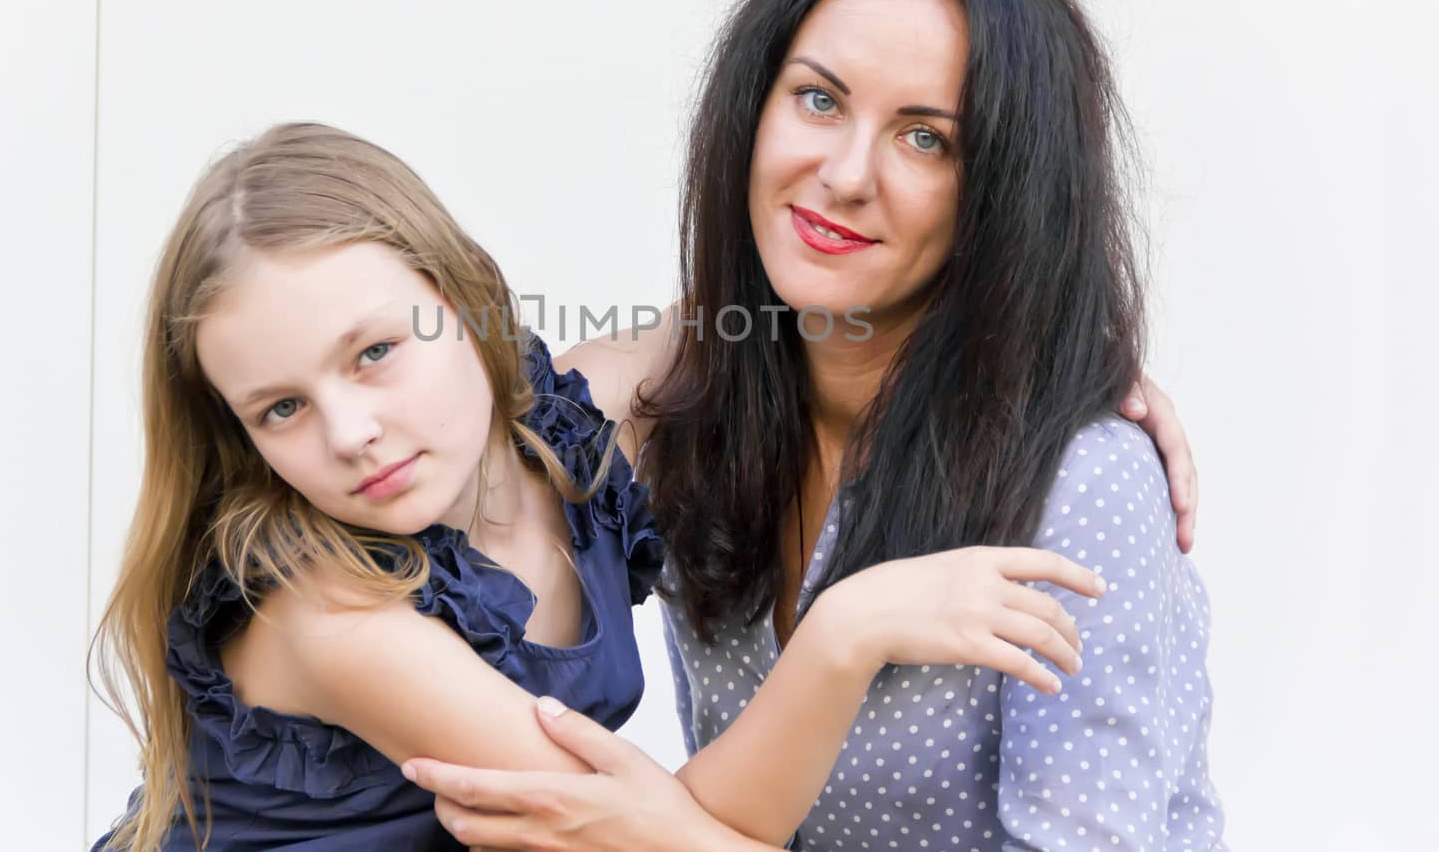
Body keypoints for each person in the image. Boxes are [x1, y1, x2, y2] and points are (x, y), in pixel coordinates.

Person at [402, 0, 1224, 850]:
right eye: (819, 98)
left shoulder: (1081, 483)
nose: (843, 173)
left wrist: (672, 836)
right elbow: (476, 442)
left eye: (926, 137)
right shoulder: (688, 413)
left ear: (1005, 191)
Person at [87, 124, 1128, 852]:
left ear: (453, 298)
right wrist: (842, 630)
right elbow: (643, 837)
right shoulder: (334, 613)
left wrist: (1067, 364)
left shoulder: (568, 425)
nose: (350, 432)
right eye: (280, 408)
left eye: (371, 352)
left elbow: (792, 305)